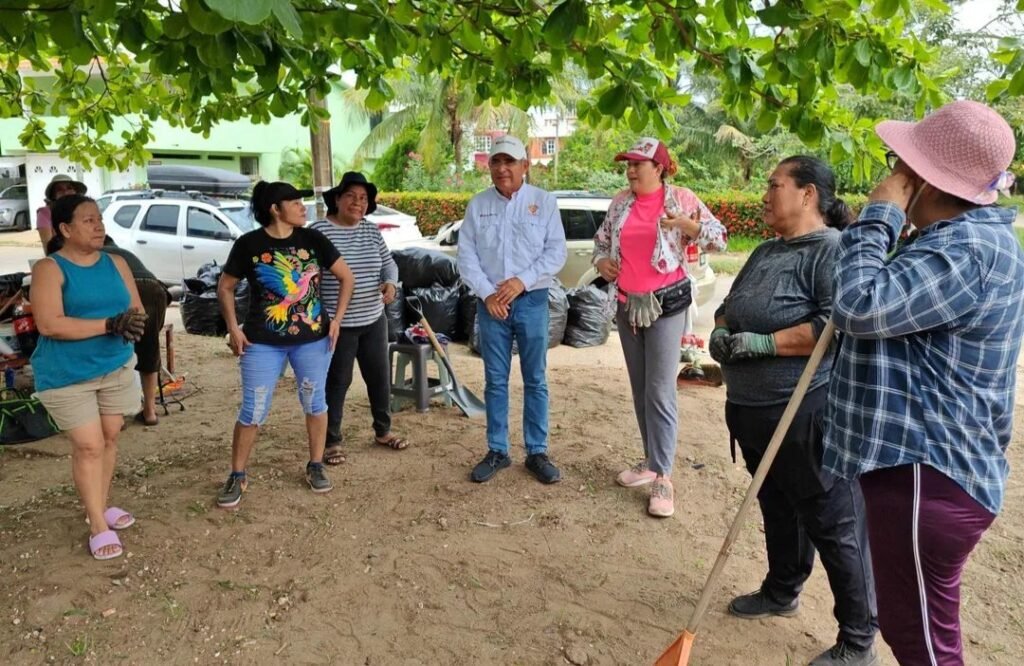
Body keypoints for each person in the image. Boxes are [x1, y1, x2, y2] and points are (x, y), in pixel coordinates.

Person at [823, 101, 1023, 665]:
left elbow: (858, 306)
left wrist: (879, 216)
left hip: (925, 474)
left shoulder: (965, 250)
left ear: (924, 179)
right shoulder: (954, 242)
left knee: (924, 645)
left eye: (900, 164)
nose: (892, 174)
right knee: (920, 634)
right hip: (931, 473)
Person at [711, 156, 878, 665]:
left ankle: (859, 639)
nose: (764, 194)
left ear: (808, 195)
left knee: (832, 522)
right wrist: (722, 331)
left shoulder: (832, 251)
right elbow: (729, 305)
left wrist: (762, 343)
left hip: (804, 414)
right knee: (779, 508)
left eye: (774, 185)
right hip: (754, 412)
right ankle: (783, 590)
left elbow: (833, 324)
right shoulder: (765, 250)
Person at [594, 137, 727, 517]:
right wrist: (603, 261)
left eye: (639, 164)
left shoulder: (682, 199)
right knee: (640, 388)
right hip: (627, 305)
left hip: (667, 306)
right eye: (628, 164)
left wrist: (689, 225)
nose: (631, 170)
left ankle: (664, 477)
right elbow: (602, 242)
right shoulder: (621, 203)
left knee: (659, 389)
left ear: (660, 168)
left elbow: (719, 238)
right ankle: (651, 461)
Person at [215, 181, 354, 509]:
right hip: (262, 341)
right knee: (253, 408)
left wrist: (336, 321)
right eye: (295, 202)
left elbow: (347, 277)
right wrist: (234, 328)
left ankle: (316, 464)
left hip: (313, 340)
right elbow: (225, 287)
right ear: (275, 209)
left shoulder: (313, 239)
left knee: (315, 402)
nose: (303, 207)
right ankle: (237, 474)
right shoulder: (249, 244)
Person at [30, 194, 148, 560]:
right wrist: (109, 324)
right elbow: (50, 324)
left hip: (114, 365)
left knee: (110, 437)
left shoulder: (116, 262)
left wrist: (132, 324)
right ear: (64, 229)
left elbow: (136, 308)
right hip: (68, 374)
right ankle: (98, 523)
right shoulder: (50, 268)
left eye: (99, 219)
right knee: (89, 445)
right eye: (88, 221)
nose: (98, 226)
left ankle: (99, 503)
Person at [458, 135, 567, 484]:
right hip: (491, 304)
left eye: (510, 162)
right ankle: (497, 450)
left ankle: (536, 451)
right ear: (489, 167)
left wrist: (522, 280)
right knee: (495, 380)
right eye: (496, 162)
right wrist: (489, 294)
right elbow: (466, 257)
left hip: (532, 300)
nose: (502, 168)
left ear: (525, 165)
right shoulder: (478, 205)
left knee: (535, 379)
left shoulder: (544, 202)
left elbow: (555, 253)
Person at [311, 172, 406, 465]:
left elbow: (389, 264)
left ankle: (383, 431)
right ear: (337, 199)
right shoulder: (318, 232)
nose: (358, 202)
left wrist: (391, 284)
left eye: (364, 198)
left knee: (379, 378)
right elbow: (308, 278)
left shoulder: (370, 231)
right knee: (338, 382)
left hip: (374, 319)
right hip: (338, 325)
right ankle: (332, 442)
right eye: (351, 196)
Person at [101, 236, 170, 426]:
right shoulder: (125, 254)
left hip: (126, 288)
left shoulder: (94, 255)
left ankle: (118, 416)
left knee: (115, 347)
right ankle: (150, 412)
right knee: (149, 349)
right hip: (154, 288)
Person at [36, 174, 86, 247]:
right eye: (59, 189)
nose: (65, 192)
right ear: (53, 195)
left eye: (69, 188)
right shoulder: (45, 213)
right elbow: (49, 248)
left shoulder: (82, 210)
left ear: (75, 192)